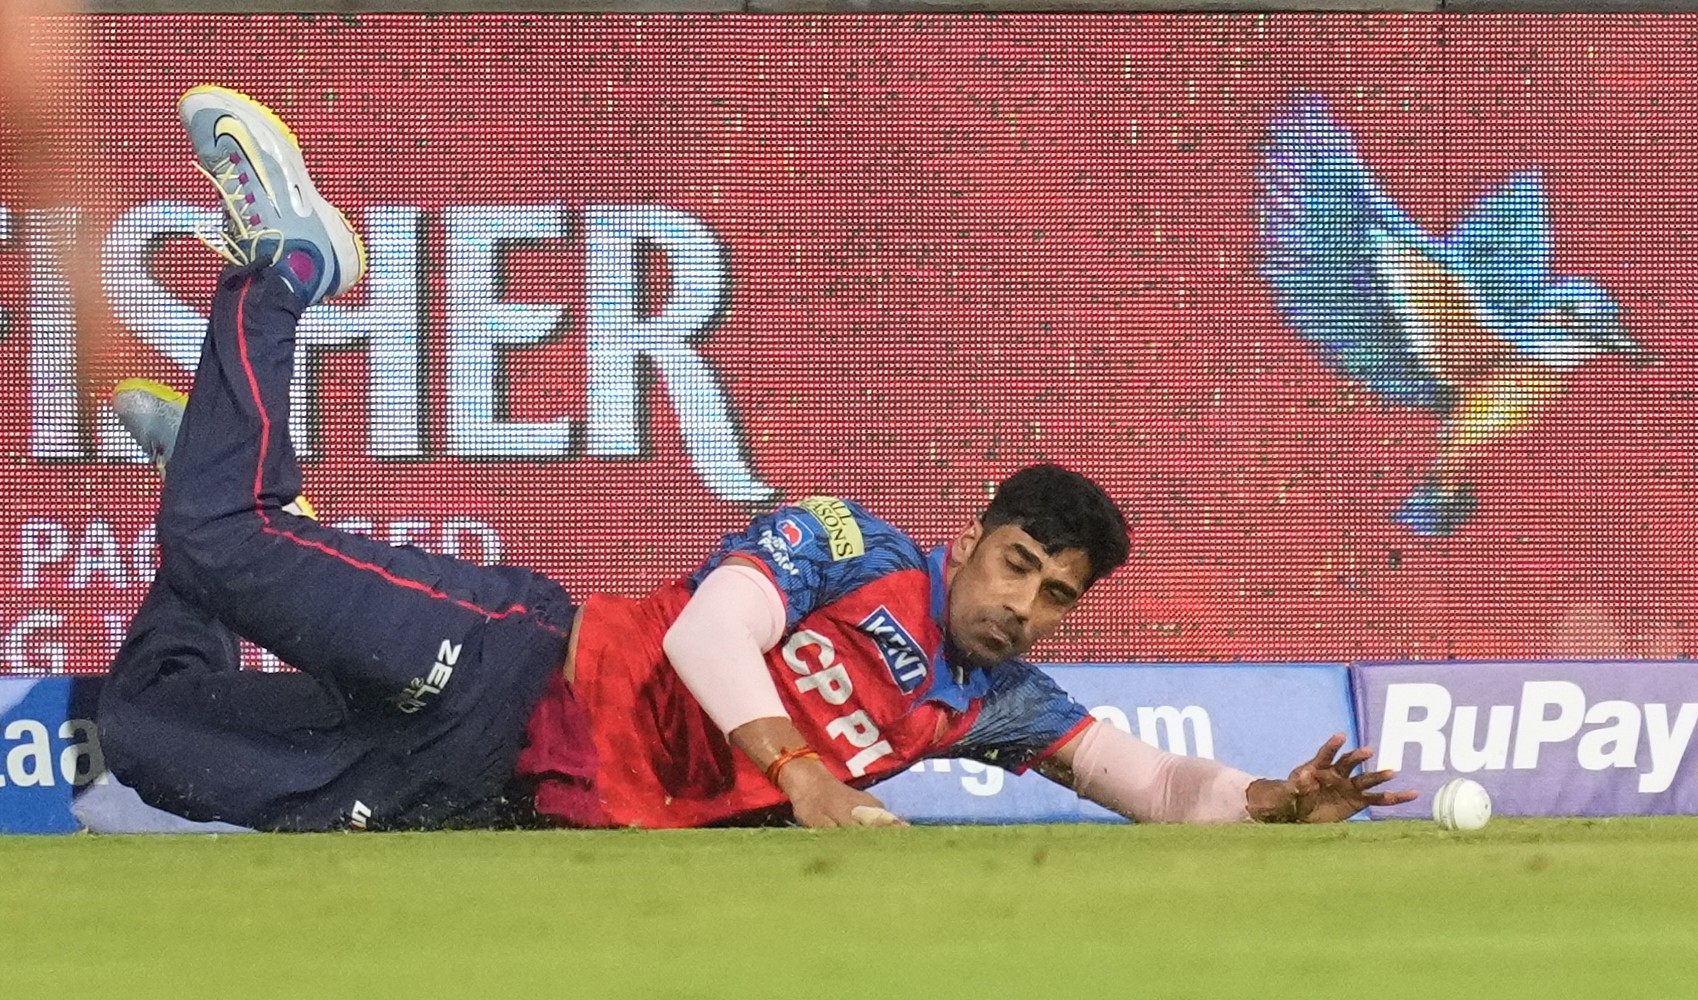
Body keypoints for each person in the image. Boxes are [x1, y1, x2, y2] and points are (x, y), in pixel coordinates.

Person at [98, 86, 1417, 832]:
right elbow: (709, 638)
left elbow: (1153, 778)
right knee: (225, 537)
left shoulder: (993, 705)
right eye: (1017, 567)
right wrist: (800, 775)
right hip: (511, 660)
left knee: (151, 739)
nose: (1023, 605)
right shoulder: (848, 545)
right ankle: (292, 269)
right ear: (969, 540)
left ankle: (216, 477)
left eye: (1055, 594)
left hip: (480, 793)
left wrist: (1265, 802)